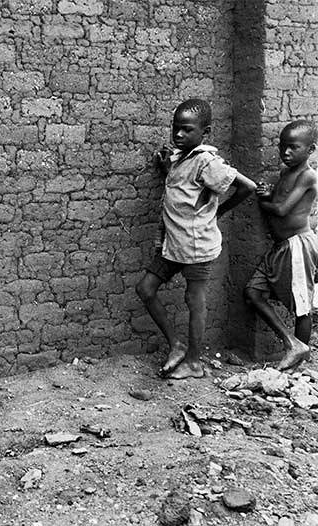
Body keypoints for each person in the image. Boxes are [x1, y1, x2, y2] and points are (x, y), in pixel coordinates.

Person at [136, 99, 256, 379]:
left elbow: (247, 187)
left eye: (186, 130)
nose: (178, 135)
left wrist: (217, 214)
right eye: (175, 129)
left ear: (206, 132)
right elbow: (184, 189)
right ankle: (176, 345)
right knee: (145, 289)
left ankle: (194, 361)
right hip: (174, 245)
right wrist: (168, 169)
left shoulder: (207, 161)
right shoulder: (182, 158)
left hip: (197, 247)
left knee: (195, 301)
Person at [244, 120, 318, 370]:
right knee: (253, 292)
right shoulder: (286, 173)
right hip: (280, 247)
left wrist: (262, 199)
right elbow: (279, 198)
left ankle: (300, 364)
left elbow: (282, 209)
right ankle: (293, 343)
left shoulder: (308, 176)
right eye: (282, 147)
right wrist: (269, 191)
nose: (285, 152)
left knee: (301, 306)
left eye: (293, 147)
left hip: (297, 245)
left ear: (311, 149)